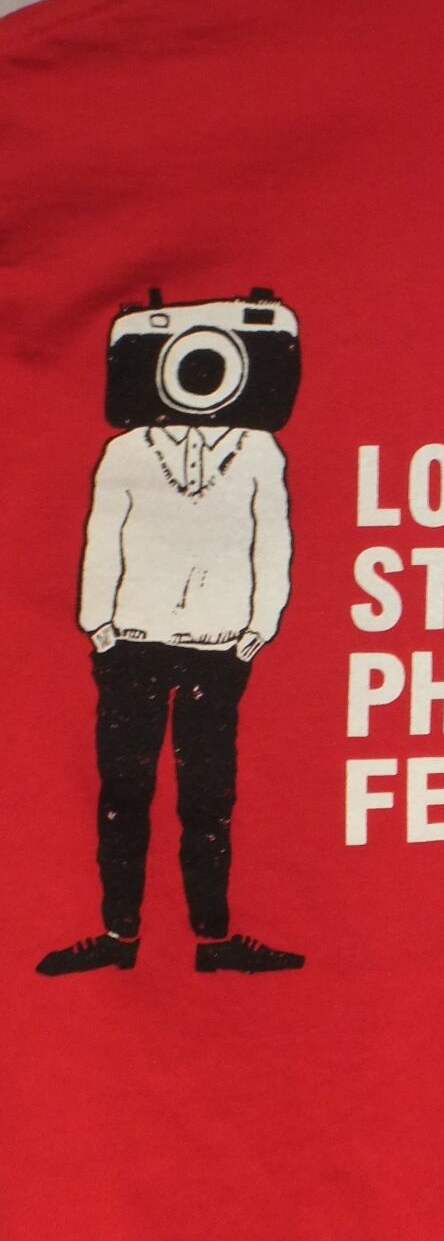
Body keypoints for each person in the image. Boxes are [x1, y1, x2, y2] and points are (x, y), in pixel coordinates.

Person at [37, 413, 305, 974]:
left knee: (209, 798)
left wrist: (259, 629)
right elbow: (103, 535)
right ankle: (119, 934)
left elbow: (273, 539)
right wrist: (98, 626)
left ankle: (213, 938)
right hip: (133, 646)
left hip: (218, 647)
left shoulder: (257, 447)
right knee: (123, 794)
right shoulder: (129, 448)